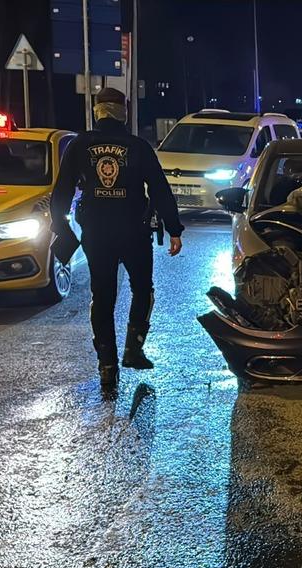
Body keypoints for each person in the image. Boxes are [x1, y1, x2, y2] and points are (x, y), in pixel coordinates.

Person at [49, 88, 183, 387]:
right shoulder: (138, 146)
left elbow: (62, 191)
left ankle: (106, 365)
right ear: (124, 111)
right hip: (134, 230)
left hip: (96, 232)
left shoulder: (80, 144)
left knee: (102, 295)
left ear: (96, 110)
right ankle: (134, 349)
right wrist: (174, 228)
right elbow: (159, 189)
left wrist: (60, 227)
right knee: (142, 289)